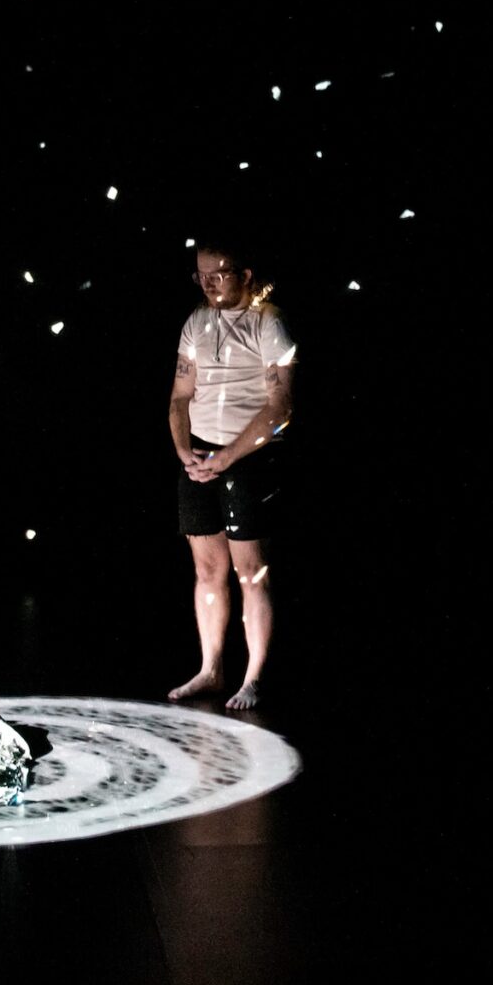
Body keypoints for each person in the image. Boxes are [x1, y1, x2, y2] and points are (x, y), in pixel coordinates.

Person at [166, 240, 297, 710]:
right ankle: (211, 669)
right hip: (200, 459)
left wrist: (229, 457)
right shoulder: (196, 322)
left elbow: (280, 409)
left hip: (250, 460)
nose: (208, 283)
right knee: (207, 569)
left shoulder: (270, 322)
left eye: (219, 273)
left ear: (245, 274)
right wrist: (185, 450)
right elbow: (181, 395)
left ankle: (254, 675)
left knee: (250, 572)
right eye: (201, 275)